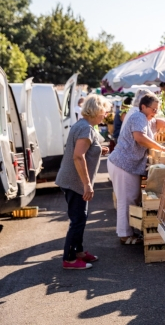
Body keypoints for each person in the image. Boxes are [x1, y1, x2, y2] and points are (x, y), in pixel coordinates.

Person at [108, 94, 165, 244]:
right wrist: (161, 148)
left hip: (126, 164)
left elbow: (150, 125)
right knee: (126, 199)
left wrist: (160, 120)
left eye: (157, 109)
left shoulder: (144, 118)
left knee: (130, 198)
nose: (155, 112)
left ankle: (128, 232)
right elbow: (140, 137)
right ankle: (125, 235)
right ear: (143, 107)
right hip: (123, 164)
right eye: (153, 109)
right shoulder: (139, 117)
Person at [56, 95, 111, 269]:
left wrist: (98, 150)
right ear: (97, 110)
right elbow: (78, 157)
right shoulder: (86, 129)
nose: (106, 115)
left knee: (81, 217)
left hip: (72, 180)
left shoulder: (83, 126)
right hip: (75, 182)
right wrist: (87, 184)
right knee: (78, 219)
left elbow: (83, 150)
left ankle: (78, 251)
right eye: (104, 111)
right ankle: (70, 259)